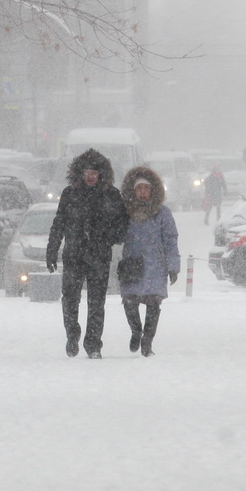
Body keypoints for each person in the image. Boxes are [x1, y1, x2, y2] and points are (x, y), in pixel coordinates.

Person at [46, 148, 129, 359]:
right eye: (87, 172)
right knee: (69, 299)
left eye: (94, 172)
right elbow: (59, 223)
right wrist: (52, 249)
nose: (91, 176)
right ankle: (72, 334)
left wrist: (107, 239)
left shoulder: (112, 195)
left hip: (99, 256)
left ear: (101, 174)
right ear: (80, 173)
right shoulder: (70, 194)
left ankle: (93, 345)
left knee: (96, 303)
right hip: (73, 255)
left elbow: (122, 225)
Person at [119, 167, 181, 357]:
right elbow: (116, 234)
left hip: (156, 265)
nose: (143, 192)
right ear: (133, 191)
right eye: (139, 188)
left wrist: (173, 266)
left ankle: (147, 340)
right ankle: (136, 330)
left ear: (153, 190)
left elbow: (170, 239)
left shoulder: (163, 213)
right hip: (132, 264)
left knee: (153, 304)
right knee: (129, 301)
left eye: (146, 188)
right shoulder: (125, 212)